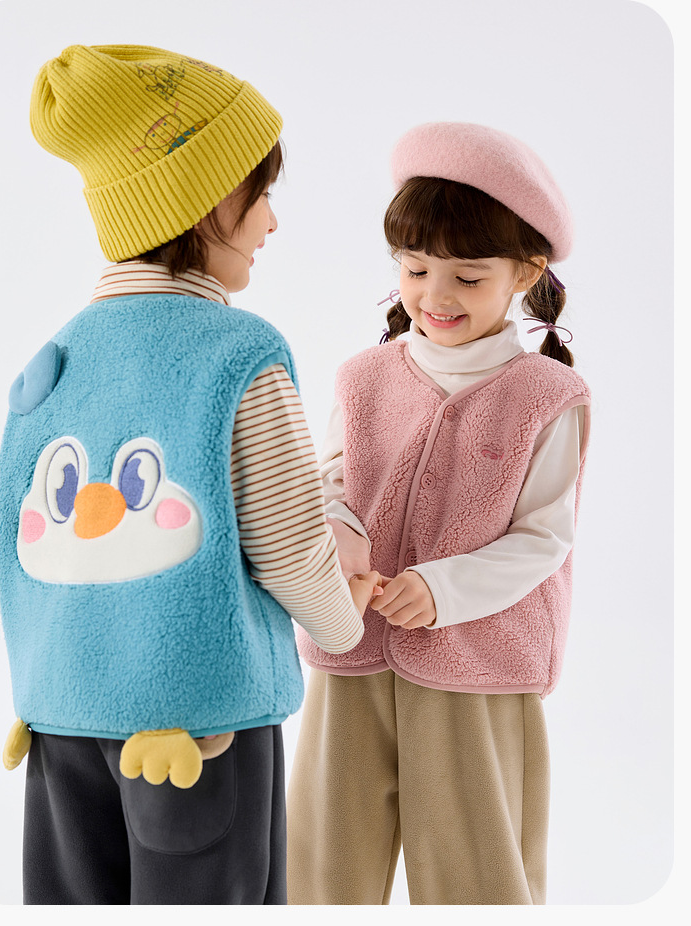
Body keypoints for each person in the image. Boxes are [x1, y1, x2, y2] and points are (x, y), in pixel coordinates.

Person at [0, 44, 379, 906]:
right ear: (205, 198)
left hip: (59, 719)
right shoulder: (238, 356)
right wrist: (343, 621)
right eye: (261, 193)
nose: (272, 223)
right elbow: (289, 548)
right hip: (197, 728)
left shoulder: (51, 364)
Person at [286, 122, 591, 905]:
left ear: (526, 273)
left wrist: (442, 589)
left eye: (468, 276)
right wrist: (342, 537)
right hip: (352, 649)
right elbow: (330, 483)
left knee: (476, 878)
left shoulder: (546, 397)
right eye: (416, 269)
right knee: (321, 869)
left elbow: (544, 537)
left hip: (477, 667)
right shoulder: (362, 378)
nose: (435, 296)